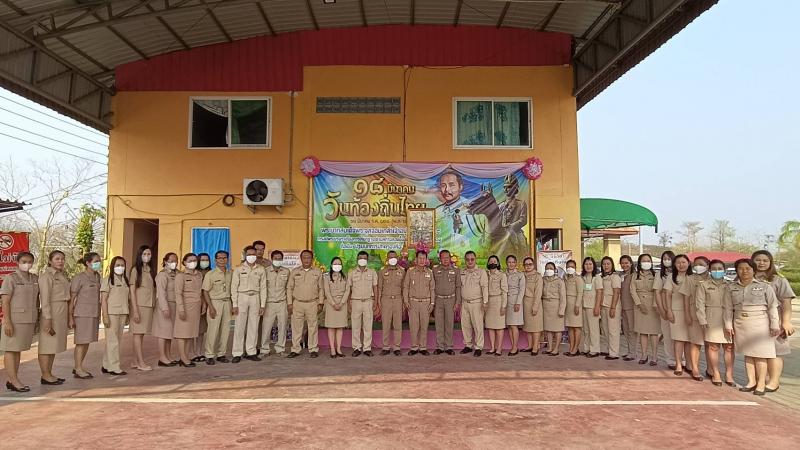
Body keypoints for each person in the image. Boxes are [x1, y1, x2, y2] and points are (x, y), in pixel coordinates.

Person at [724, 258, 781, 396]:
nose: (744, 271)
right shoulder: (731, 287)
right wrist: (728, 324)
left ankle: (761, 384)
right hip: (740, 322)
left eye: (748, 268)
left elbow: (772, 306)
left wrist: (774, 324)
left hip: (760, 323)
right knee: (748, 354)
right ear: (737, 271)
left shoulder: (765, 286)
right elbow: (728, 307)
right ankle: (751, 382)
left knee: (761, 355)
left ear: (754, 270)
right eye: (740, 268)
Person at [752, 250, 796, 392]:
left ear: (770, 262)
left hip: (774, 320)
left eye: (765, 260)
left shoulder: (778, 280)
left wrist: (786, 321)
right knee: (757, 351)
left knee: (776, 351)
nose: (761, 263)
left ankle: (774, 381)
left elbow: (786, 301)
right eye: (758, 260)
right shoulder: (747, 277)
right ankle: (761, 380)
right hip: (753, 320)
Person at [1, 252, 39, 391]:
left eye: (29, 261)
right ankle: (14, 380)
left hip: (28, 319)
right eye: (24, 261)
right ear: (17, 262)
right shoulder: (11, 278)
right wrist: (7, 322)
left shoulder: (34, 278)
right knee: (11, 350)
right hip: (14, 320)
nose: (27, 264)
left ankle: (12, 379)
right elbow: (5, 301)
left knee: (17, 350)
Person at [696, 259, 733, 386]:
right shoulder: (703, 285)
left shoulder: (730, 284)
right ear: (710, 270)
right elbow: (699, 303)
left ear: (724, 270)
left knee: (729, 347)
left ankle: (729, 374)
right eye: (714, 269)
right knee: (713, 347)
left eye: (720, 268)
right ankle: (715, 373)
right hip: (711, 316)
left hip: (728, 317)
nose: (717, 271)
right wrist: (702, 319)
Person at [38, 250, 70, 385]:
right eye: (57, 259)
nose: (60, 261)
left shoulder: (61, 276)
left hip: (61, 313)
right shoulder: (46, 277)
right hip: (51, 313)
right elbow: (45, 300)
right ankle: (45, 375)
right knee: (46, 345)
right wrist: (47, 319)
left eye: (62, 259)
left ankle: (49, 373)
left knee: (53, 346)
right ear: (50, 261)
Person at [231, 246, 267, 363]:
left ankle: (251, 352)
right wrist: (235, 304)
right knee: (239, 326)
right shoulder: (239, 269)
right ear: (245, 255)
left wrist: (262, 305)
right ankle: (237, 352)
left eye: (253, 254)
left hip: (255, 297)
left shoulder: (261, 269)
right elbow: (234, 287)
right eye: (249, 254)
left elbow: (263, 288)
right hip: (242, 297)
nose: (251, 256)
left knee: (254, 326)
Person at [287, 250, 324, 358]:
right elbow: (289, 288)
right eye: (304, 257)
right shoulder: (295, 272)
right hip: (297, 303)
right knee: (296, 328)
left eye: (309, 258)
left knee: (313, 327)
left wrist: (321, 303)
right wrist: (289, 303)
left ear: (312, 259)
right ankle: (295, 349)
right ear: (301, 259)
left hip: (312, 303)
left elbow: (321, 288)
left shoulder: (317, 272)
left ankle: (313, 349)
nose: (306, 260)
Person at [69, 252, 101, 379]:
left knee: (87, 341)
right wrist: (70, 317)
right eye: (96, 261)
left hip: (93, 313)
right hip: (82, 314)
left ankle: (78, 366)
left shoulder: (97, 276)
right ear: (88, 263)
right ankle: (78, 368)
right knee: (81, 342)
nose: (98, 263)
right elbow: (72, 299)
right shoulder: (79, 278)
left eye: (99, 261)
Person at [679, 256, 710, 381]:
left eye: (701, 264)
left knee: (710, 344)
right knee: (695, 342)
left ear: (707, 266)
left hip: (711, 314)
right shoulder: (689, 279)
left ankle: (710, 369)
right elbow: (685, 298)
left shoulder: (712, 279)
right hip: (694, 313)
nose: (698, 266)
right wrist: (687, 314)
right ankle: (695, 369)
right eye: (696, 264)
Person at [100, 256, 130, 376]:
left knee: (116, 340)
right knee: (113, 341)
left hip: (123, 312)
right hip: (111, 313)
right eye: (117, 265)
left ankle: (106, 365)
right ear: (113, 266)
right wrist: (105, 316)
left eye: (122, 265)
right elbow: (103, 299)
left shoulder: (125, 280)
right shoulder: (108, 280)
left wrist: (128, 314)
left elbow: (127, 298)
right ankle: (114, 367)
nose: (120, 267)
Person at [664, 254, 693, 376]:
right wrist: (669, 310)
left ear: (689, 263)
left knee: (689, 340)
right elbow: (667, 295)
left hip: (691, 312)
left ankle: (689, 365)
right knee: (679, 339)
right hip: (676, 311)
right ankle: (679, 365)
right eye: (678, 263)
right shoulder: (671, 277)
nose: (681, 265)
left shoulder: (693, 277)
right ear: (674, 265)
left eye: (683, 262)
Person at [201, 251, 232, 365]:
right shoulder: (210, 274)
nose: (222, 260)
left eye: (224, 258)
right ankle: (209, 355)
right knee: (213, 330)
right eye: (219, 258)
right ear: (215, 260)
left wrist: (233, 305)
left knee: (225, 330)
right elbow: (205, 291)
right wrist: (211, 307)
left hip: (227, 302)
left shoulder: (231, 273)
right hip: (215, 303)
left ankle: (221, 354)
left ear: (227, 259)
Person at [173, 253, 203, 367]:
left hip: (196, 307)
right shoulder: (180, 276)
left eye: (195, 260)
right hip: (185, 307)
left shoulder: (199, 275)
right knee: (182, 334)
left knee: (190, 333)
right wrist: (181, 309)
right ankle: (183, 357)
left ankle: (186, 356)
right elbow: (178, 293)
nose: (193, 262)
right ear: (184, 262)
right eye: (190, 260)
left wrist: (203, 305)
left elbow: (200, 292)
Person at [404, 250, 436, 355]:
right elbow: (406, 287)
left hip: (426, 303)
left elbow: (432, 289)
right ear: (416, 259)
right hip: (413, 303)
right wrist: (406, 301)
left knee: (424, 326)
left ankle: (423, 347)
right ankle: (414, 347)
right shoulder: (410, 271)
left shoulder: (429, 272)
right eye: (420, 258)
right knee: (413, 326)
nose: (422, 260)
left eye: (424, 258)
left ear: (426, 260)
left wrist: (432, 303)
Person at [129, 245, 155, 371]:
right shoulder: (136, 270)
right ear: (140, 255)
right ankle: (140, 362)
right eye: (144, 254)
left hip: (148, 305)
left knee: (141, 334)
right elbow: (132, 291)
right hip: (139, 306)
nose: (147, 256)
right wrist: (135, 310)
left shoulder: (150, 269)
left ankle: (135, 360)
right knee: (137, 334)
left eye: (149, 254)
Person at [630, 254, 660, 366]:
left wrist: (656, 304)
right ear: (639, 262)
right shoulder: (635, 275)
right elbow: (632, 290)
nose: (646, 263)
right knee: (642, 331)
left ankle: (655, 356)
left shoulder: (656, 275)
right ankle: (644, 355)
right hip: (639, 306)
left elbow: (658, 290)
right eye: (644, 261)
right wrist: (639, 304)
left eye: (648, 260)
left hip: (652, 306)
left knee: (653, 332)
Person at [261, 250, 291, 357]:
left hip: (282, 302)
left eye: (280, 258)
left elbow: (288, 288)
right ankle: (264, 350)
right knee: (266, 327)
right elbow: (263, 288)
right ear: (272, 259)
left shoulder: (286, 271)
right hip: (269, 303)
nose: (278, 260)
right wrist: (262, 304)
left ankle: (280, 349)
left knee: (282, 326)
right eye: (275, 258)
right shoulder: (265, 271)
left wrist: (289, 303)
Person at [349, 251, 378, 357]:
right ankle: (356, 348)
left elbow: (375, 287)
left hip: (368, 301)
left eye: (364, 258)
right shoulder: (351, 273)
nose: (362, 260)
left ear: (367, 260)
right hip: (355, 301)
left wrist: (376, 302)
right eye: (360, 258)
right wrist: (348, 302)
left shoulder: (372, 272)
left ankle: (367, 348)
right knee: (355, 326)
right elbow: (349, 289)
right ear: (357, 259)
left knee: (368, 326)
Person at [152, 253, 179, 367]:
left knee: (169, 333)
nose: (174, 263)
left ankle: (168, 356)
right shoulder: (162, 275)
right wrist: (164, 308)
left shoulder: (177, 274)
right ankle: (162, 357)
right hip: (165, 305)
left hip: (174, 305)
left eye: (175, 260)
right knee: (163, 333)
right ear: (165, 261)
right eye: (171, 261)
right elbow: (161, 293)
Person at [460, 251, 488, 356]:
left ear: (475, 259)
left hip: (477, 303)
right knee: (465, 326)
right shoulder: (462, 272)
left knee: (478, 326)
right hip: (464, 303)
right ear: (465, 260)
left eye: (472, 259)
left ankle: (478, 347)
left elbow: (484, 287)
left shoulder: (481, 272)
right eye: (467, 259)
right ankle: (468, 345)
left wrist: (485, 302)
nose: (470, 261)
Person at [433, 250, 461, 355]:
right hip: (438, 300)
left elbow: (458, 287)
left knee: (449, 324)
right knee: (439, 324)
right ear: (440, 259)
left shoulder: (456, 270)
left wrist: (457, 302)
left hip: (451, 300)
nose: (445, 259)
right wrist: (432, 302)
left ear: (450, 258)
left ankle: (449, 346)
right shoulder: (435, 270)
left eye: (447, 257)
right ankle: (440, 347)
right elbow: (431, 286)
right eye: (443, 258)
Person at [378, 250, 405, 356]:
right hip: (386, 300)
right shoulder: (382, 271)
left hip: (398, 299)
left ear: (397, 258)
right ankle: (386, 347)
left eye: (394, 257)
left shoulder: (402, 271)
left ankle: (397, 347)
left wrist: (404, 302)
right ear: (387, 259)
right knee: (386, 324)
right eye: (390, 257)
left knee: (398, 325)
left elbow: (404, 288)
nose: (392, 259)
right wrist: (379, 302)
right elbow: (379, 288)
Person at [655, 251, 678, 369]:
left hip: (678, 308)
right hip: (664, 307)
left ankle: (682, 360)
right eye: (664, 259)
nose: (667, 261)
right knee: (668, 336)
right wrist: (661, 309)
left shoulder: (679, 273)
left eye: (669, 258)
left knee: (679, 336)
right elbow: (657, 292)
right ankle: (671, 360)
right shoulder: (660, 274)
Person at [498, 174, 529, 258]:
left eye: (509, 187)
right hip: (502, 232)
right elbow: (497, 221)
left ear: (515, 188)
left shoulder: (521, 204)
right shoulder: (500, 206)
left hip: (516, 231)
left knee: (522, 245)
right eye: (504, 187)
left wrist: (511, 226)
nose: (506, 189)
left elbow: (523, 220)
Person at [324, 257, 349, 358]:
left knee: (340, 327)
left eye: (339, 264)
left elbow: (347, 291)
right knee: (331, 327)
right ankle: (332, 349)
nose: (337, 265)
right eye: (335, 264)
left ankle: (338, 349)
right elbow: (327, 292)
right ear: (331, 265)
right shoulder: (327, 277)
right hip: (331, 305)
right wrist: (334, 304)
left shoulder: (345, 276)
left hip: (342, 304)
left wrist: (341, 303)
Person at [190, 252, 212, 363]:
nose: (205, 262)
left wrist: (206, 303)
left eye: (206, 260)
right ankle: (191, 353)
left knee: (201, 330)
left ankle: (199, 352)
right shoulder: (195, 273)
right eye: (202, 260)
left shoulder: (210, 273)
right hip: (194, 303)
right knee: (191, 330)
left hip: (206, 303)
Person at [598, 257, 622, 360]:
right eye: (604, 264)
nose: (606, 266)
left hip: (612, 306)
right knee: (605, 329)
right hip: (604, 305)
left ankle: (614, 353)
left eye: (608, 264)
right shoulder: (601, 277)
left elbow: (616, 292)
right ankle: (609, 349)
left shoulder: (615, 277)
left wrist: (613, 307)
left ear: (612, 265)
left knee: (613, 330)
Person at [485, 255, 508, 356]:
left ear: (498, 263)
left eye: (494, 261)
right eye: (491, 261)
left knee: (499, 327)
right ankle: (492, 348)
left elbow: (504, 291)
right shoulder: (486, 274)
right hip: (488, 301)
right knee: (490, 326)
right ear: (488, 263)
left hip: (498, 301)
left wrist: (503, 306)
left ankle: (499, 348)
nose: (492, 262)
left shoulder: (502, 275)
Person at [579, 257, 603, 358]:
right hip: (583, 306)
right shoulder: (582, 277)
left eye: (590, 264)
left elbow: (599, 292)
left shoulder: (597, 278)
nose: (588, 266)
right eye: (586, 264)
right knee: (586, 329)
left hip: (592, 307)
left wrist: (597, 307)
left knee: (593, 329)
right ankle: (586, 348)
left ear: (593, 265)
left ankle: (595, 349)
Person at [541, 262, 566, 356]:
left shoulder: (559, 281)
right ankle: (550, 348)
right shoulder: (543, 280)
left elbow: (563, 297)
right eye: (547, 268)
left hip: (556, 306)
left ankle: (556, 349)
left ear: (555, 270)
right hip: (545, 306)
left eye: (551, 268)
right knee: (548, 329)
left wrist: (561, 310)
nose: (549, 270)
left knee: (557, 329)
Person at [521, 257, 544, 355]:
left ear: (533, 265)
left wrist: (535, 306)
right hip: (525, 303)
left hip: (534, 302)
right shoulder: (522, 275)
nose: (528, 266)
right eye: (526, 264)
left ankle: (535, 347)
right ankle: (530, 345)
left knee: (535, 327)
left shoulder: (537, 276)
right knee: (528, 326)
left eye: (530, 264)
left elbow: (538, 292)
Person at [505, 255, 525, 356]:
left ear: (516, 263)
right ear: (506, 263)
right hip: (506, 302)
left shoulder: (520, 275)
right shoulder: (504, 274)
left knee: (514, 325)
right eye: (509, 262)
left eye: (513, 262)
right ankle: (513, 346)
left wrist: (518, 302)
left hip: (515, 301)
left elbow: (522, 290)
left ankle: (515, 347)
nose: (511, 264)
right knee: (509, 325)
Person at [563, 259, 584, 356]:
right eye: (568, 267)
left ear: (575, 268)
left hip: (575, 305)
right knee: (570, 328)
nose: (570, 268)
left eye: (572, 267)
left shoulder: (578, 279)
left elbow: (580, 292)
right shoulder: (565, 278)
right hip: (567, 306)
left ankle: (576, 348)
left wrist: (577, 305)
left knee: (577, 328)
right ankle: (571, 347)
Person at [619, 255, 637, 361]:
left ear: (630, 263)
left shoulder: (634, 275)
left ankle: (633, 353)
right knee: (625, 330)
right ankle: (630, 351)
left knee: (631, 330)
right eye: (622, 263)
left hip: (631, 306)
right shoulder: (621, 276)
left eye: (626, 263)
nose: (624, 265)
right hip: (623, 306)